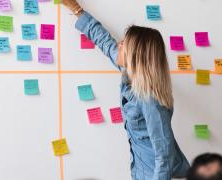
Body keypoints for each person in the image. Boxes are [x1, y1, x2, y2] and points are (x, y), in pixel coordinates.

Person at [62, 1, 190, 179]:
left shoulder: (149, 97)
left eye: (124, 43)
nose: (119, 45)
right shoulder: (130, 74)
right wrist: (76, 9)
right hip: (141, 170)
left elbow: (165, 156)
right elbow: (105, 42)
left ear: (135, 55)